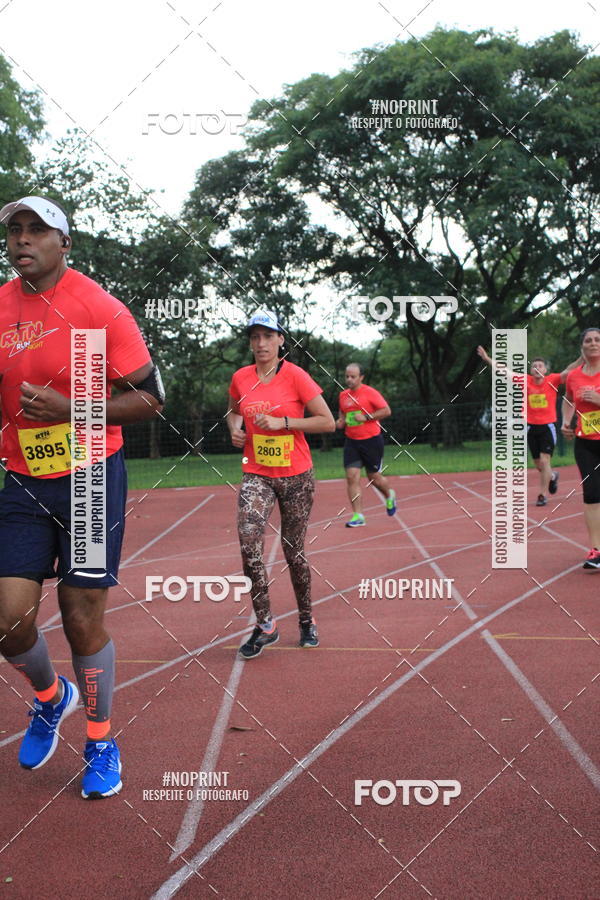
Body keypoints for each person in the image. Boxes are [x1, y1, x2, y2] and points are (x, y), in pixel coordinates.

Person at [0, 196, 164, 798]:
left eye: (36, 230)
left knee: (79, 615)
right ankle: (50, 698)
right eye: (14, 230)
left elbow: (150, 400)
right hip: (23, 475)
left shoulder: (99, 308)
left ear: (63, 243)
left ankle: (100, 739)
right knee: (8, 619)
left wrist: (74, 408)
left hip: (91, 475)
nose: (22, 240)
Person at [227, 309, 335, 659]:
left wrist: (284, 422)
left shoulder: (297, 376)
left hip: (297, 476)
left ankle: (307, 619)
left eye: (267, 337)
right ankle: (266, 624)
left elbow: (327, 422)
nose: (261, 343)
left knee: (294, 550)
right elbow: (232, 411)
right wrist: (233, 428)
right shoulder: (241, 378)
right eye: (255, 337)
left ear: (280, 341)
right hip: (257, 472)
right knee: (248, 539)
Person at [477, 346, 580, 507]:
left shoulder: (552, 380)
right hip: (531, 427)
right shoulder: (525, 381)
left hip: (548, 427)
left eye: (540, 366)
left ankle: (542, 495)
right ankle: (552, 477)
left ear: (545, 369)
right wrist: (487, 359)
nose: (537, 368)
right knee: (539, 465)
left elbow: (570, 370)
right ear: (530, 370)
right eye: (534, 366)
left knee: (545, 461)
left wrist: (584, 356)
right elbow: (505, 371)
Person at [335, 363, 396, 527]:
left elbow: (386, 410)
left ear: (361, 377)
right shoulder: (343, 395)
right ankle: (358, 516)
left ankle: (389, 495)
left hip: (371, 441)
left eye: (353, 377)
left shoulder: (370, 393)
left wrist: (367, 417)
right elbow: (342, 413)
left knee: (374, 478)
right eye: (347, 376)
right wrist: (340, 421)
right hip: (351, 442)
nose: (349, 379)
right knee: (351, 477)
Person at [561, 327, 600, 569]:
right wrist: (566, 422)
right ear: (582, 347)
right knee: (592, 493)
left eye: (597, 340)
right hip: (585, 442)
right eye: (589, 340)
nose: (593, 343)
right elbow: (567, 399)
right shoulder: (574, 376)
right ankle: (596, 550)